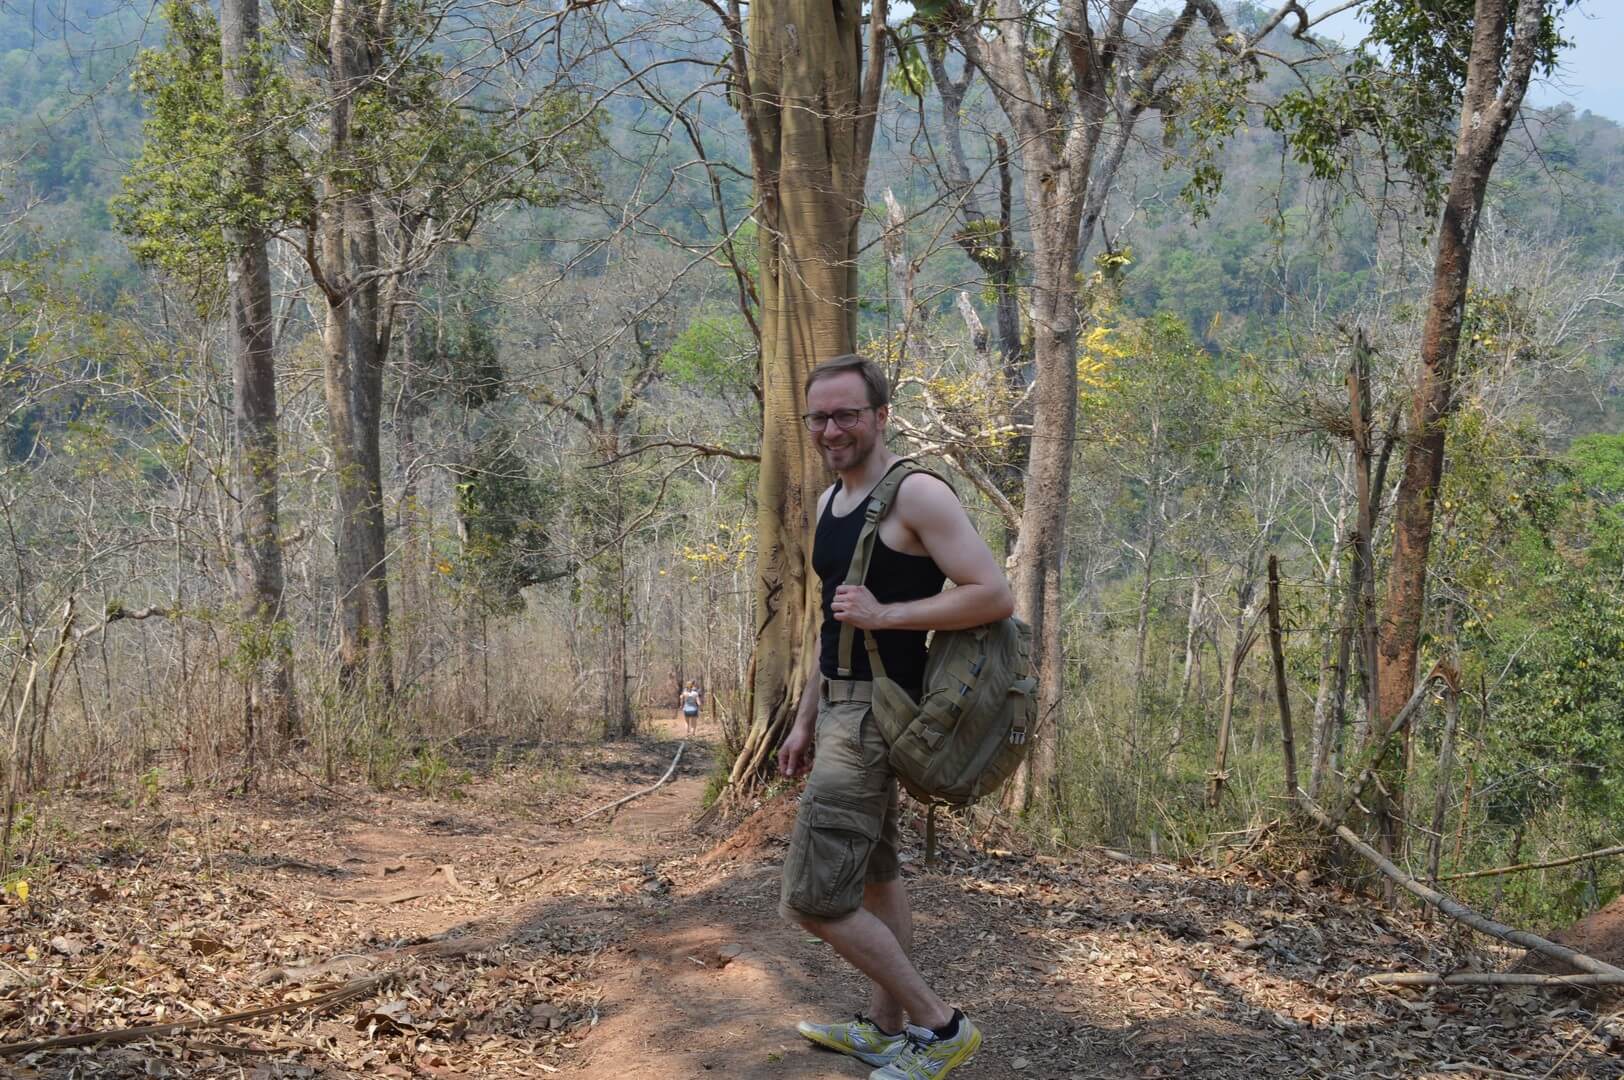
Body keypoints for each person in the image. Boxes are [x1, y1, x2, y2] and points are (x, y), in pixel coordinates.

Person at [777, 354, 1013, 1080]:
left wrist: (889, 615)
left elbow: (992, 593)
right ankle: (886, 1028)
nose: (831, 429)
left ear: (881, 416)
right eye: (819, 417)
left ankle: (940, 1027)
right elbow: (834, 626)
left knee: (814, 899)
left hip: (878, 718)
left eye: (847, 414)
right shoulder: (830, 503)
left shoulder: (917, 494)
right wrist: (805, 719)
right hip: (839, 710)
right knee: (878, 877)